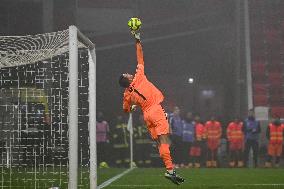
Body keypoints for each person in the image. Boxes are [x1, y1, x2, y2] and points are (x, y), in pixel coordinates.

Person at [118, 30, 184, 185]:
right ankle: (170, 170)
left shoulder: (127, 94)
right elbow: (140, 56)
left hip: (146, 115)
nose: (129, 73)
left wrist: (133, 107)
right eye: (127, 74)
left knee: (160, 143)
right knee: (165, 140)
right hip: (155, 109)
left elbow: (126, 110)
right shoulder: (139, 76)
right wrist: (137, 39)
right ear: (127, 79)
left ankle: (170, 169)